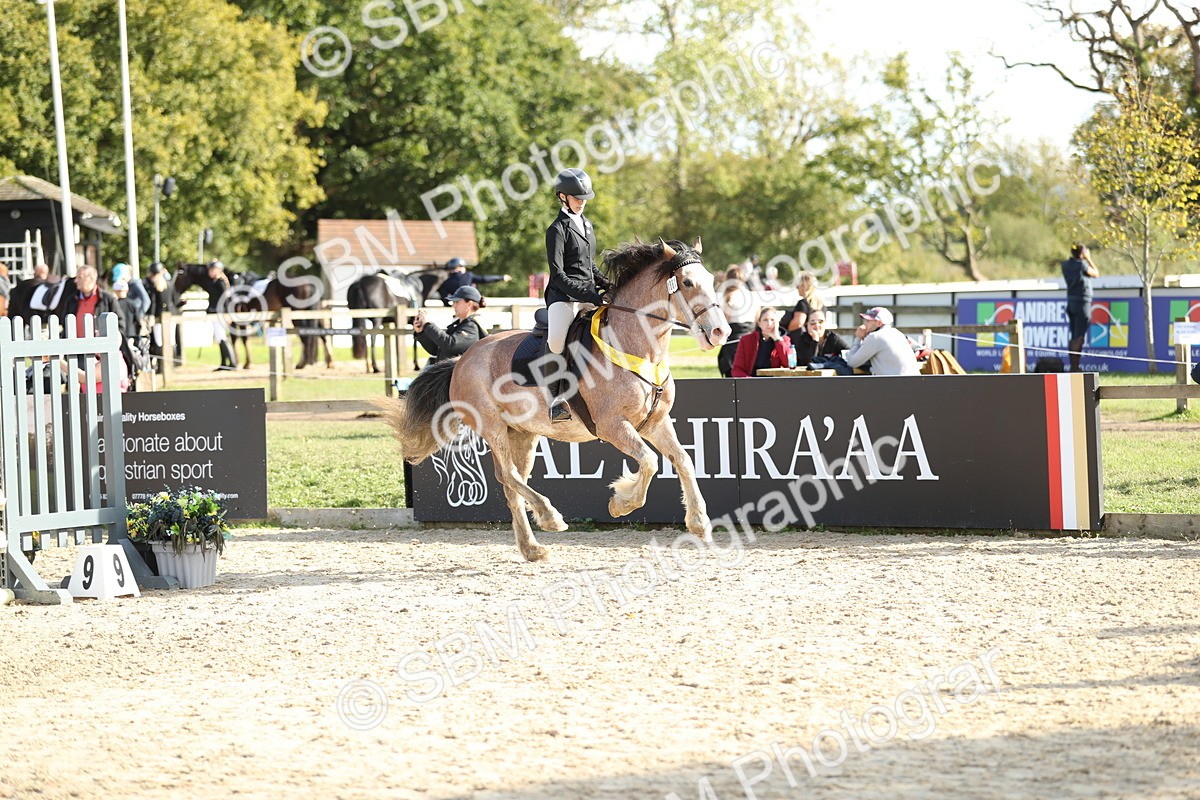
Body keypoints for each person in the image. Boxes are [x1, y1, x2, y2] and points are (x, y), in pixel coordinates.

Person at [544, 167, 614, 422]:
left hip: (588, 294)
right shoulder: (557, 230)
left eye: (584, 199)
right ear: (562, 197)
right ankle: (556, 399)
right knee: (556, 341)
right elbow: (558, 275)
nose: (582, 203)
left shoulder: (586, 224)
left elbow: (589, 264)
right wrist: (590, 296)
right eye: (577, 198)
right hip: (564, 297)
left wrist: (607, 284)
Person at [412, 285, 488, 364]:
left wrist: (428, 325)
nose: (453, 305)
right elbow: (436, 349)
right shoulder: (459, 325)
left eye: (457, 302)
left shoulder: (472, 327)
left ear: (469, 304)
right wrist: (421, 332)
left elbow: (450, 345)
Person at [843, 306, 920, 376]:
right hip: (913, 382)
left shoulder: (874, 337)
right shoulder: (898, 333)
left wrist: (858, 338)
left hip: (896, 385)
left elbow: (852, 363)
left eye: (868, 321)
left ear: (879, 323)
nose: (865, 324)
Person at [1062, 243, 1099, 372]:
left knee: (1073, 336)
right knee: (1079, 337)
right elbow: (1096, 273)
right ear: (1082, 253)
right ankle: (1075, 368)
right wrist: (1088, 258)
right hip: (1082, 303)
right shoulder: (1082, 265)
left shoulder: (1065, 265)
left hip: (1071, 302)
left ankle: (1073, 366)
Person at [60, 266, 124, 339]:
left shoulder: (107, 299)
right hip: (77, 348)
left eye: (79, 277)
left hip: (101, 348)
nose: (75, 281)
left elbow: (120, 323)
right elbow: (65, 324)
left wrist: (110, 337)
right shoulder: (71, 300)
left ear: (90, 279)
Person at [717, 265, 756, 377]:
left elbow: (725, 322)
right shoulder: (752, 295)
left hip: (734, 339)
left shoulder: (729, 297)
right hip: (750, 337)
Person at [142, 262, 181, 371]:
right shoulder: (170, 284)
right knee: (171, 341)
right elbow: (175, 300)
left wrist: (151, 316)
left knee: (159, 342)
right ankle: (171, 364)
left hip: (159, 316)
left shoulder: (155, 286)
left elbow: (153, 303)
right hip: (171, 315)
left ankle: (162, 366)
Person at [732, 307, 792, 377]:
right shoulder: (746, 340)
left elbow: (789, 364)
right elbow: (737, 369)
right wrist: (750, 381)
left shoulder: (785, 340)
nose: (769, 323)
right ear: (759, 323)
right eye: (765, 320)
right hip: (751, 382)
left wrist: (777, 339)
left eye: (772, 320)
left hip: (775, 382)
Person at [204, 260, 237, 371]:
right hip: (215, 312)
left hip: (221, 313)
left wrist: (227, 314)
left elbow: (225, 299)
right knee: (219, 338)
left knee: (221, 336)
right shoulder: (215, 282)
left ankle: (232, 362)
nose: (210, 271)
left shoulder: (220, 282)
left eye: (212, 269)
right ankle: (224, 362)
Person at [436, 257, 510, 304]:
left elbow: (445, 299)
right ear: (459, 267)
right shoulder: (468, 276)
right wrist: (501, 277)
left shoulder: (446, 282)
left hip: (457, 307)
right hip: (470, 305)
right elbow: (484, 279)